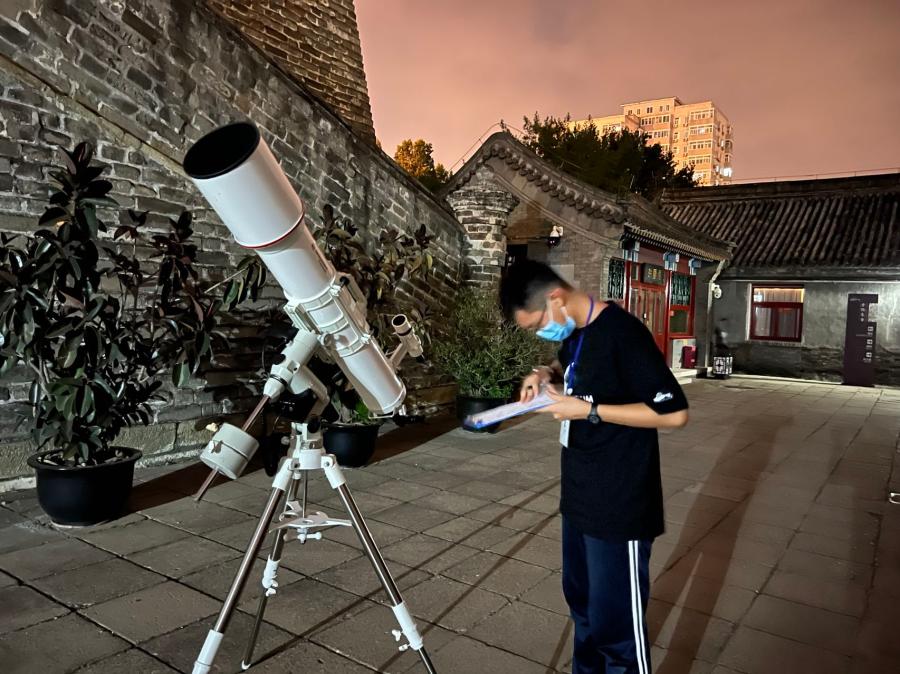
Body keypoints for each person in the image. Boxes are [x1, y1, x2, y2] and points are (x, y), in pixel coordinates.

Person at [499, 260, 689, 674]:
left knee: (617, 630)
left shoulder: (623, 334)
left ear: (555, 299)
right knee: (584, 613)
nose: (540, 333)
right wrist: (542, 373)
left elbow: (674, 413)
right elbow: (571, 368)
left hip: (620, 503)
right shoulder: (576, 334)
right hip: (580, 497)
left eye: (537, 325)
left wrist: (589, 411)